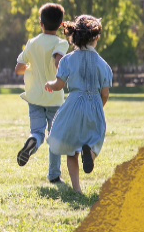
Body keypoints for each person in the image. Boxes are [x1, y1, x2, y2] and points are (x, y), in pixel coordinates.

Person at [44, 15, 111, 193]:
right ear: (95, 37)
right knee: (95, 140)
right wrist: (98, 107)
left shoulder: (67, 60)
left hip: (73, 105)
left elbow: (58, 85)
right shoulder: (104, 65)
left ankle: (77, 189)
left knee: (71, 148)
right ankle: (90, 154)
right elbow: (105, 93)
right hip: (94, 105)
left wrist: (49, 84)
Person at [14, 3, 69, 184]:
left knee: (37, 132)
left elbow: (18, 68)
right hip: (54, 97)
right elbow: (58, 60)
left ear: (41, 24)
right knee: (55, 137)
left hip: (34, 97)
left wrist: (30, 66)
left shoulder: (32, 42)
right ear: (61, 25)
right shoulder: (61, 42)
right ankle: (54, 174)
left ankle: (32, 141)